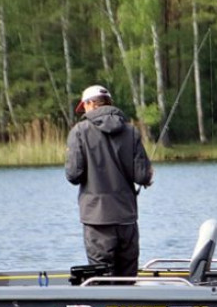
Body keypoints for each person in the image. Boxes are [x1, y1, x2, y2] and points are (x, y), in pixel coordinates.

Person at [65, 84, 154, 277]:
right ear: (108, 103)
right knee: (127, 278)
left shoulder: (79, 131)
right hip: (126, 218)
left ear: (90, 104)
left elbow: (73, 175)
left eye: (85, 107)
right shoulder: (131, 131)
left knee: (101, 277)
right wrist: (148, 174)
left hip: (96, 219)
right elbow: (142, 177)